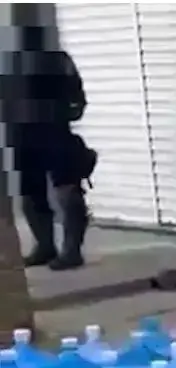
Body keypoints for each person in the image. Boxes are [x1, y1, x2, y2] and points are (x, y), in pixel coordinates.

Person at [3, 24, 92, 271]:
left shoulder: (57, 60)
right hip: (22, 135)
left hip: (52, 133)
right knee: (31, 194)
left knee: (66, 191)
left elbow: (78, 100)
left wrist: (61, 113)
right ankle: (45, 247)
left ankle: (71, 251)